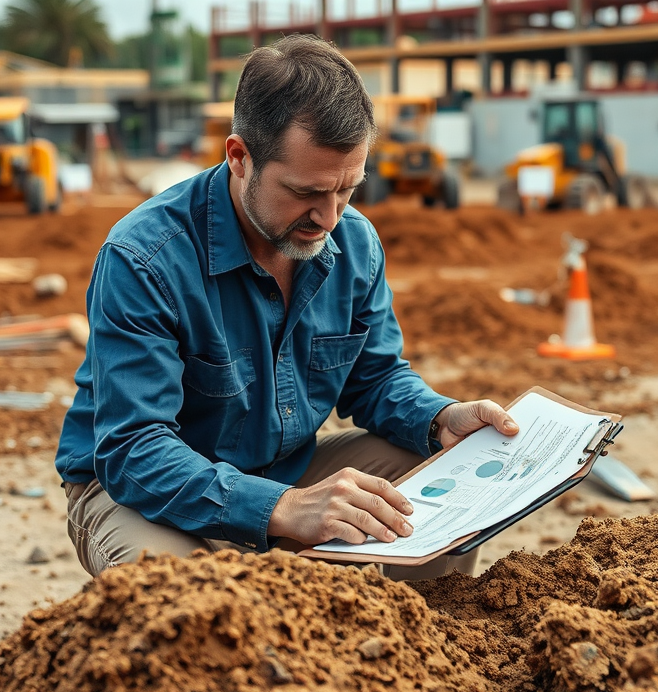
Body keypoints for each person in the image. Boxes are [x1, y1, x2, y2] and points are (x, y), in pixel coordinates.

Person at [55, 35, 518, 580]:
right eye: (306, 192)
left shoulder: (355, 243)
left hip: (286, 471)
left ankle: (401, 651)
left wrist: (439, 417)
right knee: (182, 602)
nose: (328, 217)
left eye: (347, 190)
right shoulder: (144, 259)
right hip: (138, 492)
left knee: (437, 492)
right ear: (239, 158)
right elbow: (135, 449)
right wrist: (282, 509)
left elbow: (374, 379)